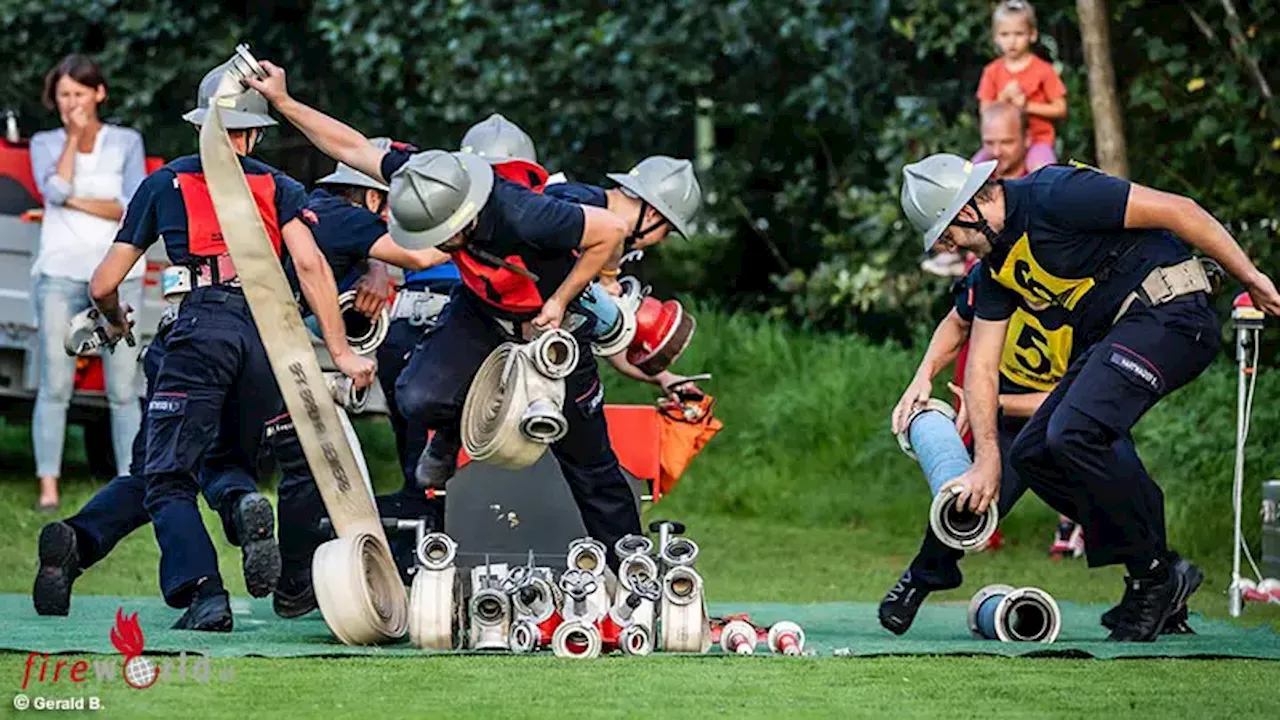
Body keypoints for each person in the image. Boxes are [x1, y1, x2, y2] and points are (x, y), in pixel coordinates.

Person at [242, 59, 702, 569]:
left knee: (590, 462)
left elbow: (609, 232)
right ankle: (450, 433)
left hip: (552, 330)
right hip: (481, 312)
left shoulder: (526, 214)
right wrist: (283, 103)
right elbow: (352, 146)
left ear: (465, 220)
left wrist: (557, 301)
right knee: (417, 396)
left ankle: (633, 575)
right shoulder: (432, 180)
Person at [898, 153, 1280, 640]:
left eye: (950, 234)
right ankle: (1161, 570)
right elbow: (981, 366)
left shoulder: (1056, 193)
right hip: (1121, 334)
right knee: (1036, 451)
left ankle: (1152, 580)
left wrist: (1252, 278)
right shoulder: (997, 266)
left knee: (1072, 432)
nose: (952, 246)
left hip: (1173, 314)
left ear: (970, 207)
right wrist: (988, 458)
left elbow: (1180, 210)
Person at [85, 61, 373, 631]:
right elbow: (311, 265)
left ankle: (204, 594)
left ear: (203, 126)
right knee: (251, 460)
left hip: (199, 331)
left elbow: (102, 284)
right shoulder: (278, 184)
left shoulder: (164, 183)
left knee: (167, 474)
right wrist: (341, 353)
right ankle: (273, 553)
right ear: (253, 132)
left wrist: (115, 321)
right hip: (270, 336)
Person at [28, 54, 147, 511]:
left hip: (119, 275)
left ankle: (132, 486)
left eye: (79, 93)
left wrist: (74, 200)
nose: (70, 103)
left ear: (99, 93)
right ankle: (48, 487)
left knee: (123, 389)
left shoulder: (125, 141)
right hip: (58, 272)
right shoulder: (46, 142)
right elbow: (52, 190)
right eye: (63, 95)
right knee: (55, 386)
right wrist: (73, 141)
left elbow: (130, 205)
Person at [974, 0, 1065, 172]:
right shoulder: (991, 72)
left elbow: (1060, 109)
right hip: (999, 145)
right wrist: (1003, 99)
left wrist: (1026, 106)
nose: (1012, 41)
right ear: (995, 37)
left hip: (1038, 141)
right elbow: (985, 111)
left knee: (1043, 171)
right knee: (972, 172)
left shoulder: (1044, 70)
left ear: (1032, 35)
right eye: (1005, 35)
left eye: (1018, 34)